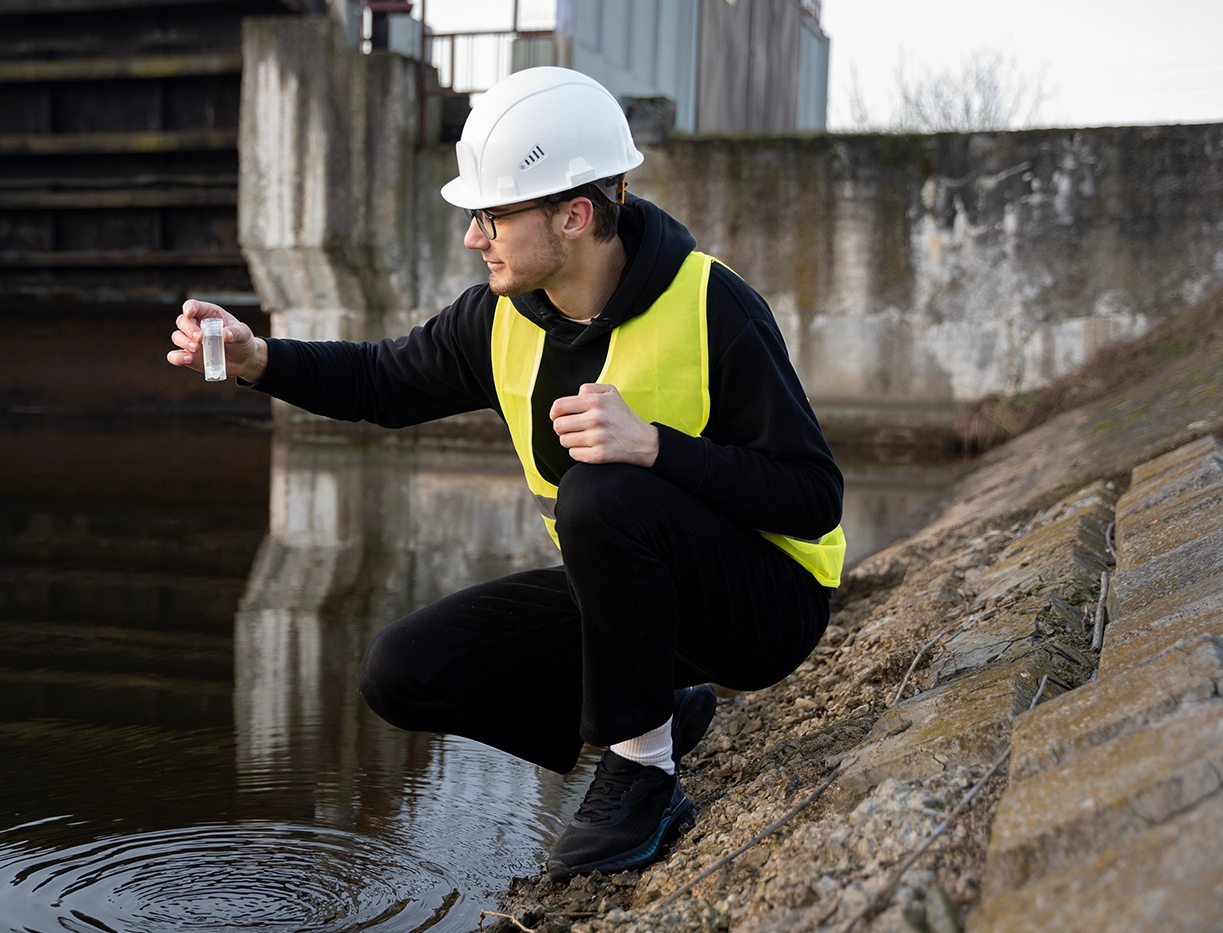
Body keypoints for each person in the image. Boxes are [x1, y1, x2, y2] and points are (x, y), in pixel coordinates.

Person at [167, 67, 845, 880]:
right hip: (632, 605)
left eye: (491, 215)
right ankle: (656, 714)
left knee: (601, 482)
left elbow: (812, 499)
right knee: (401, 673)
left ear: (575, 214)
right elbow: (381, 380)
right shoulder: (498, 317)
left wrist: (657, 447)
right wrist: (257, 359)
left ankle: (642, 773)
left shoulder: (714, 304)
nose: (472, 236)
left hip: (766, 608)